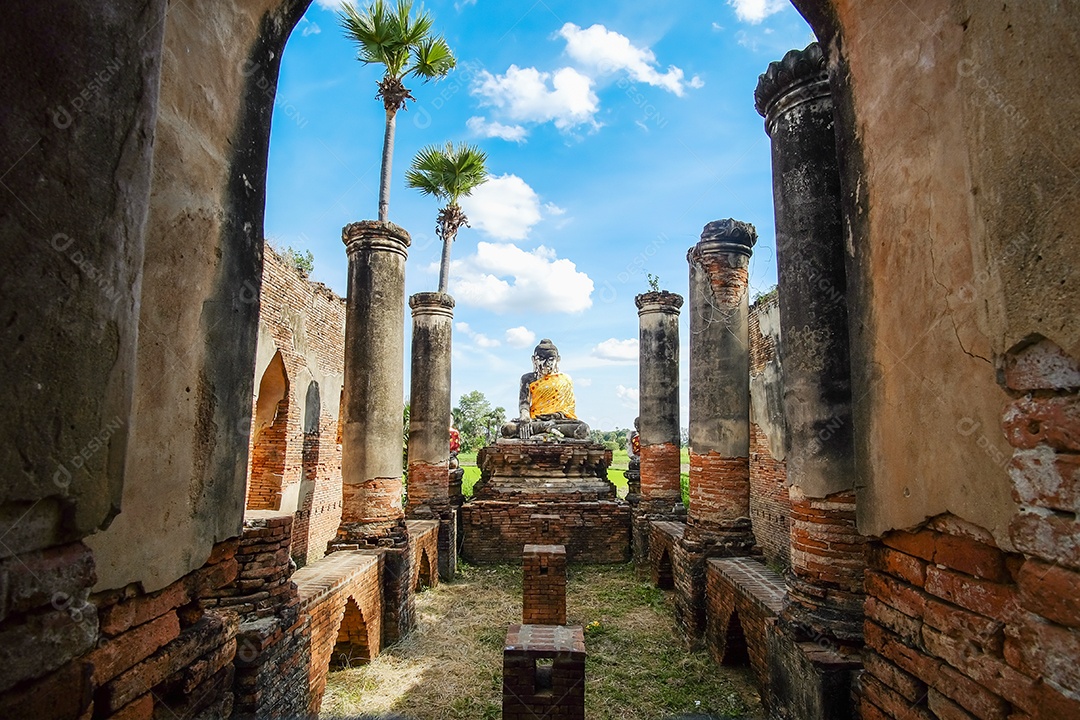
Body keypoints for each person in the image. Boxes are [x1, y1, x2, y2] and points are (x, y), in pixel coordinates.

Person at [500, 339, 590, 440]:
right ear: (534, 360)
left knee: (583, 429)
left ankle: (547, 428)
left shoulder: (565, 379)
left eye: (551, 359)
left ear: (558, 359)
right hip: (535, 420)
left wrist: (556, 415)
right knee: (507, 429)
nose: (546, 363)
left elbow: (568, 408)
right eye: (541, 359)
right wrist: (525, 417)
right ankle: (548, 428)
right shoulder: (527, 379)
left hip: (560, 420)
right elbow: (524, 403)